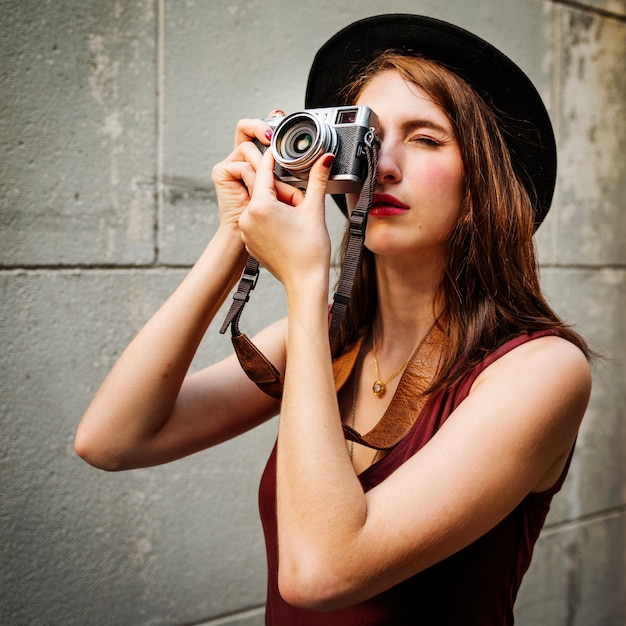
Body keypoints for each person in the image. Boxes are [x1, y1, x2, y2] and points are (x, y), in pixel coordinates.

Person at [75, 14, 593, 625]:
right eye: (367, 139)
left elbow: (320, 573)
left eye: (426, 139)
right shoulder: (327, 339)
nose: (384, 165)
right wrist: (233, 236)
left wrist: (303, 280)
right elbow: (112, 440)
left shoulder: (541, 370)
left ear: (482, 184)